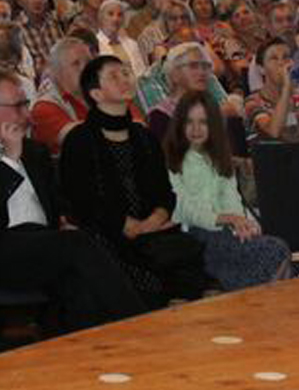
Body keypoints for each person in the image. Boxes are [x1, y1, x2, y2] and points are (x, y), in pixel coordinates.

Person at [0, 68, 145, 331]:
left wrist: (66, 220)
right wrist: (10, 160)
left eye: (26, 104)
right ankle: (140, 324)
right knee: (77, 247)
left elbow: (57, 202)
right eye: (19, 106)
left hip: (41, 244)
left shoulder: (34, 151)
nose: (27, 114)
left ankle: (91, 356)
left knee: (79, 282)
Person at [59, 56, 209, 307]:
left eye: (126, 73)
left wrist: (155, 218)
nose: (125, 79)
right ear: (96, 93)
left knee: (188, 267)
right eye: (114, 76)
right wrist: (125, 224)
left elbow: (165, 192)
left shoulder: (144, 135)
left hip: (154, 232)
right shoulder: (80, 140)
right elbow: (81, 199)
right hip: (107, 236)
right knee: (142, 281)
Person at [165, 92, 290, 289]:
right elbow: (183, 208)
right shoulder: (173, 159)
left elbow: (231, 197)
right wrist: (228, 219)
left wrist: (242, 224)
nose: (196, 129)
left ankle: (258, 300)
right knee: (276, 251)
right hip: (196, 235)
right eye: (189, 122)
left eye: (203, 122)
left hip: (225, 230)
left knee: (275, 251)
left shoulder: (219, 158)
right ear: (180, 124)